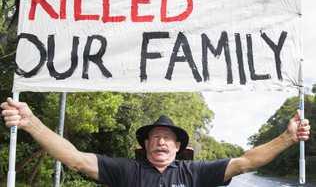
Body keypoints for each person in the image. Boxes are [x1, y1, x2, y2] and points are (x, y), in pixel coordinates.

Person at [1, 98, 311, 186]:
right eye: (156, 137)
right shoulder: (125, 171)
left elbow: (247, 162)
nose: (161, 142)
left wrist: (287, 137)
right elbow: (75, 159)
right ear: (146, 144)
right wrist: (33, 124)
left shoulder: (195, 174)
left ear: (178, 147)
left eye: (168, 138)